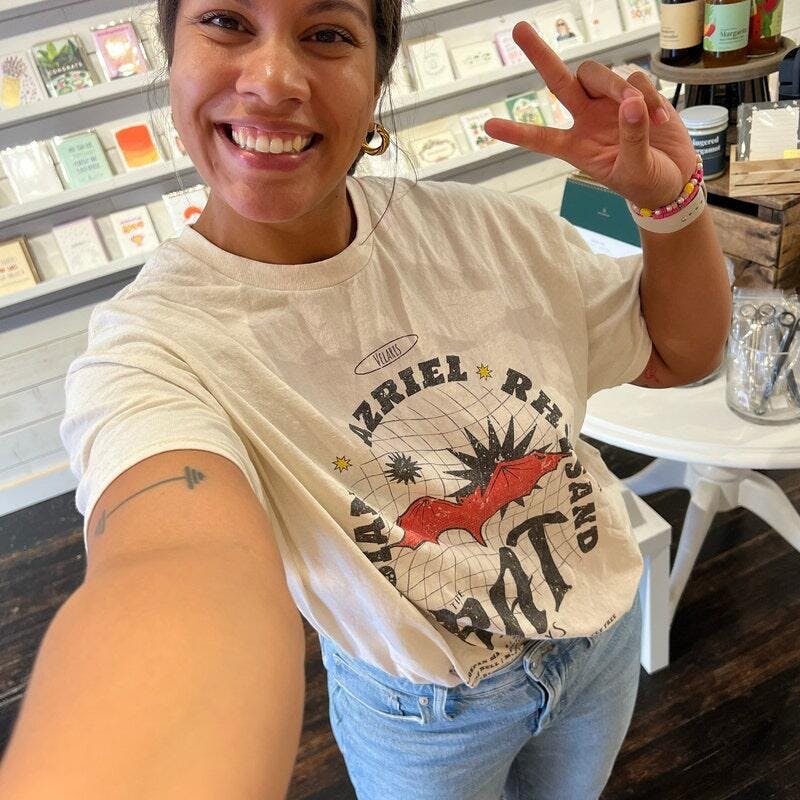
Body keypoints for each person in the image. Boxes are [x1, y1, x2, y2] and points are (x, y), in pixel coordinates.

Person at [0, 1, 731, 799]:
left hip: (601, 631)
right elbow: (174, 570)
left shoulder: (488, 234)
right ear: (169, 56)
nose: (272, 79)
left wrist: (672, 203)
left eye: (326, 34)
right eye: (227, 22)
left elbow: (679, 353)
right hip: (427, 713)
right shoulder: (154, 351)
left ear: (378, 78)